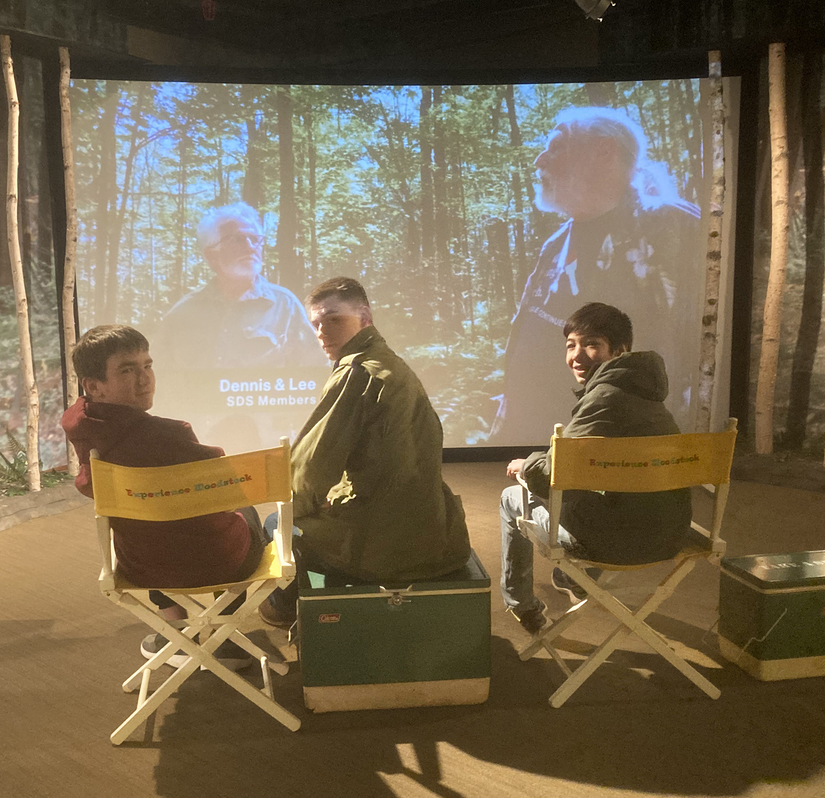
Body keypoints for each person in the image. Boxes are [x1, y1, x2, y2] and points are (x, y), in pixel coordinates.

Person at [259, 277, 472, 626]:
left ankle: (285, 610)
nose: (322, 332)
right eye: (316, 324)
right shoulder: (391, 364)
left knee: (275, 521)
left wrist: (298, 510)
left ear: (365, 317)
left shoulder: (356, 373)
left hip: (383, 549)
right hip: (434, 536)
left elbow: (308, 472)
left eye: (333, 319)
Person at [489, 106, 702, 446]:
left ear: (604, 151)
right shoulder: (556, 243)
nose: (539, 160)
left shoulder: (674, 227)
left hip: (617, 440)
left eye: (556, 146)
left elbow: (699, 343)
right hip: (536, 432)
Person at [62, 324, 265, 670]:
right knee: (247, 511)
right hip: (216, 562)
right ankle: (225, 638)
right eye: (127, 370)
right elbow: (228, 489)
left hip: (142, 565)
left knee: (145, 521)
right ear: (93, 386)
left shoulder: (84, 430)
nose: (144, 379)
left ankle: (174, 631)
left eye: (147, 365)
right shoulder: (172, 435)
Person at [499, 302, 693, 634]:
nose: (577, 356)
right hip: (669, 535)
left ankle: (522, 604)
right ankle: (571, 579)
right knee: (596, 489)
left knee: (510, 497)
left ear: (620, 350)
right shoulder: (648, 395)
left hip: (615, 542)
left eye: (592, 344)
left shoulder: (605, 397)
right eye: (571, 345)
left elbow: (553, 480)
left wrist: (525, 464)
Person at [157, 202, 326, 370]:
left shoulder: (284, 306)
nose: (249, 246)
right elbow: (160, 377)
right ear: (211, 254)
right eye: (237, 239)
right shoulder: (182, 313)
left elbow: (316, 371)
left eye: (254, 239)